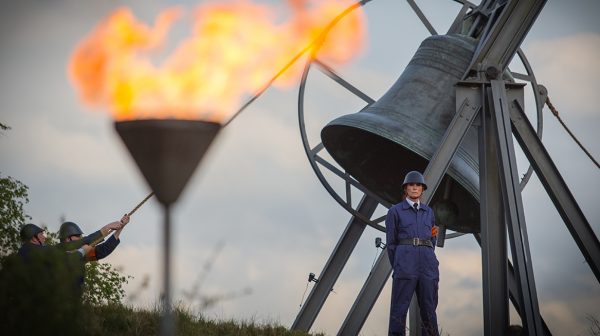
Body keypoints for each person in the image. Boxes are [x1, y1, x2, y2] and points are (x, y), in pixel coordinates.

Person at [386, 171, 439, 336]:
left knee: (429, 308)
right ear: (405, 189)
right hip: (405, 263)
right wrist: (400, 263)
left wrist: (429, 257)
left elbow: (433, 237)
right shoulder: (395, 211)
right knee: (399, 308)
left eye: (418, 185)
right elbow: (391, 243)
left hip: (427, 265)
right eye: (411, 185)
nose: (415, 188)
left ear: (422, 189)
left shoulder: (428, 212)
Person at [58, 214, 129, 262]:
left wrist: (120, 227)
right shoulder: (57, 251)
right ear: (67, 238)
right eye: (77, 236)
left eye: (80, 236)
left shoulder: (81, 253)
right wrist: (107, 227)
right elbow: (85, 241)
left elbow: (103, 250)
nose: (80, 238)